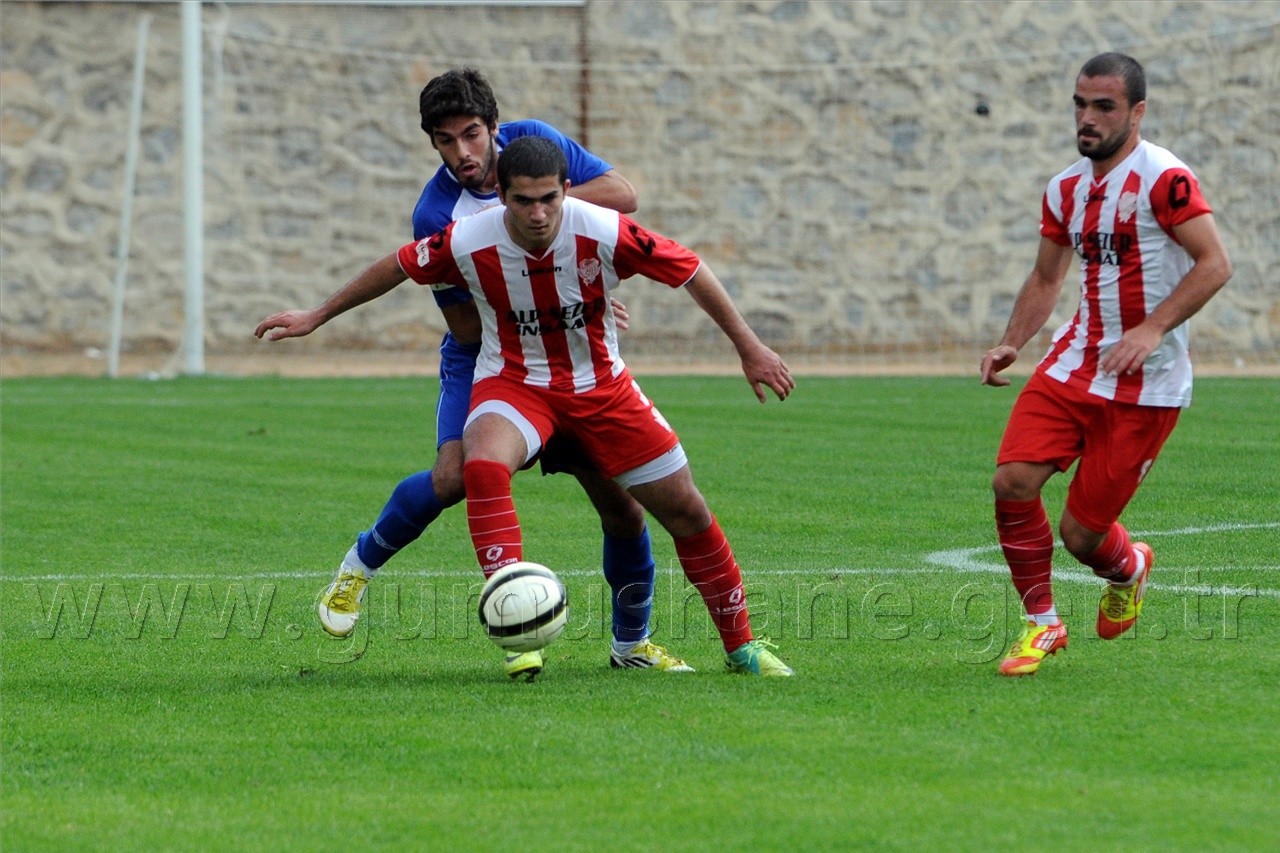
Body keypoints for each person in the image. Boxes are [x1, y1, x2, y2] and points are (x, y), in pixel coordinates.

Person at [255, 68, 691, 680]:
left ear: (495, 128)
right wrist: (319, 314)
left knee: (621, 507)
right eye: (444, 140)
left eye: (472, 134)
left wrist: (547, 249)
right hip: (489, 352)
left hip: (568, 349)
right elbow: (465, 328)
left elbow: (622, 194)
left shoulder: (535, 144)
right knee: (455, 476)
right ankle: (359, 568)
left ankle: (632, 644)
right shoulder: (437, 213)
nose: (462, 152)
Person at [333, 135, 797, 675]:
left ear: (567, 191)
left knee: (683, 510)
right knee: (480, 466)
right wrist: (316, 316)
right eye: (524, 201)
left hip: (600, 388)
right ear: (501, 197)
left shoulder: (602, 229)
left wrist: (750, 347)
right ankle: (519, 634)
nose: (538, 213)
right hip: (514, 384)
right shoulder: (465, 239)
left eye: (549, 199)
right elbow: (395, 266)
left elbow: (689, 268)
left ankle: (737, 647)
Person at [980, 52, 1232, 677]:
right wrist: (1014, 339)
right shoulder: (1065, 188)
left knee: (1082, 537)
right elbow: (1046, 275)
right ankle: (1042, 623)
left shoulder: (1165, 179)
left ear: (1136, 112)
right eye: (1079, 105)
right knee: (1011, 481)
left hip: (1148, 384)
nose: (1087, 119)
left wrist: (1151, 329)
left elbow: (1215, 264)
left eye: (1104, 107)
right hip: (1074, 363)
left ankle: (1131, 567)